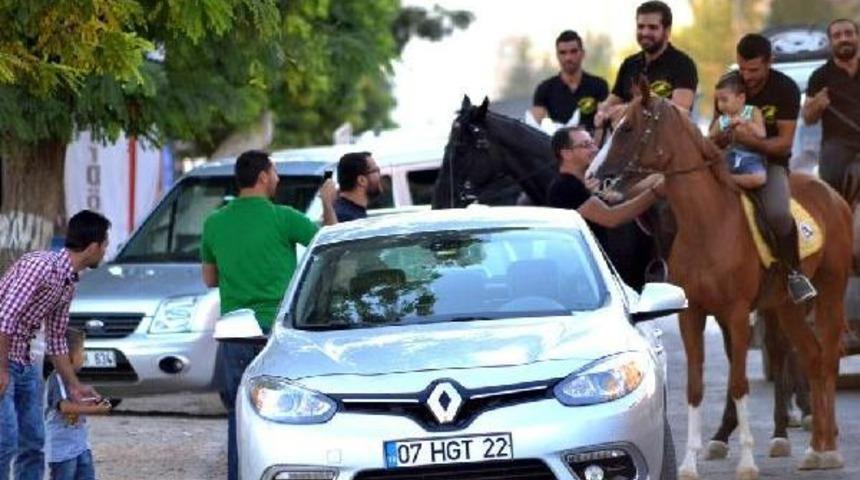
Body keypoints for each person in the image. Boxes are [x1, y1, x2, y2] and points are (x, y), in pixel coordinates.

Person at [200, 150, 337, 480]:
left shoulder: (214, 222)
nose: (277, 178)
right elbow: (332, 244)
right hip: (277, 335)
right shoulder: (283, 218)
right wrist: (328, 203)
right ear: (262, 176)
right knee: (290, 415)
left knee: (239, 417)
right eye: (274, 172)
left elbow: (209, 278)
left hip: (235, 334)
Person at [0, 210, 110, 480]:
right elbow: (4, 317)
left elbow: (57, 338)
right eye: (105, 245)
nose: (105, 251)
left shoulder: (67, 282)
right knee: (5, 441)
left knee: (34, 442)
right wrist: (1, 368)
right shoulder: (41, 266)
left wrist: (74, 386)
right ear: (93, 247)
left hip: (24, 361)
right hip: (4, 358)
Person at [722, 33, 815, 303]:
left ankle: (795, 274)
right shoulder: (730, 84)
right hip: (730, 159)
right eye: (742, 69)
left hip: (770, 164)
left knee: (776, 213)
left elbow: (784, 145)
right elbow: (717, 129)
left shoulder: (785, 89)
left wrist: (746, 138)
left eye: (754, 70)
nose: (747, 77)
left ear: (770, 61)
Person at [547, 126, 663, 245]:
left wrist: (664, 176)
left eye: (593, 143)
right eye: (586, 145)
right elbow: (611, 218)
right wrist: (656, 192)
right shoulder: (564, 187)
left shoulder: (591, 180)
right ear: (566, 154)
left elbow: (629, 192)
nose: (595, 149)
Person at [595, 0, 698, 126]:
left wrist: (630, 110)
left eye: (652, 27)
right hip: (628, 141)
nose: (645, 33)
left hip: (666, 142)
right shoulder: (629, 64)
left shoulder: (683, 64)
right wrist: (602, 112)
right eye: (641, 26)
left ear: (667, 31)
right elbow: (610, 103)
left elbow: (680, 113)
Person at [802, 18, 860, 199]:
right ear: (830, 42)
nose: (844, 39)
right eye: (837, 35)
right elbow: (808, 118)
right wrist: (817, 104)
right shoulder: (820, 77)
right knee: (830, 195)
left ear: (857, 37)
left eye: (849, 34)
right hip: (838, 146)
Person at [44, 329, 112, 480]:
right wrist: (95, 410)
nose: (84, 356)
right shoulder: (57, 378)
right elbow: (65, 407)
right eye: (82, 351)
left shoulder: (71, 380)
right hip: (62, 449)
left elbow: (75, 403)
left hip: (80, 444)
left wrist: (91, 401)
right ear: (67, 356)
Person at [531, 30, 609, 134]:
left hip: (592, 145)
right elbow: (537, 128)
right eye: (563, 53)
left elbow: (603, 124)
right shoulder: (544, 89)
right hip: (557, 146)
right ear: (557, 55)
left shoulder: (599, 86)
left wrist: (594, 148)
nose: (568, 57)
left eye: (573, 51)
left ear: (582, 53)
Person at [709, 71, 768, 189]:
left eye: (724, 100)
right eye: (718, 100)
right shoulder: (722, 120)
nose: (721, 105)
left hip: (749, 157)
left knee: (760, 178)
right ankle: (725, 177)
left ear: (741, 98)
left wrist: (746, 123)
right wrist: (724, 132)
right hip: (729, 156)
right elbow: (710, 139)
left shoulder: (752, 112)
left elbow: (762, 134)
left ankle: (730, 179)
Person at [334, 151, 383, 222]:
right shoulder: (347, 218)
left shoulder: (349, 212)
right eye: (376, 170)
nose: (380, 175)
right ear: (361, 180)